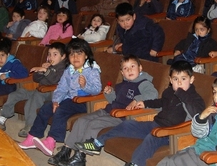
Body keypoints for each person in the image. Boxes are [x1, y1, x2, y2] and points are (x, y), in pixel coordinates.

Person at [76, 61, 205, 166]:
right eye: (176, 79)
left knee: (151, 138)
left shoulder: (195, 98)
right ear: (171, 80)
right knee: (128, 124)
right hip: (156, 124)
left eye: (183, 79)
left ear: (191, 79)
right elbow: (160, 102)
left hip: (170, 133)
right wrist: (145, 103)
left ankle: (135, 164)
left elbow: (198, 113)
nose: (180, 82)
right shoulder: (168, 92)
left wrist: (181, 93)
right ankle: (97, 143)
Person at [53, 55, 159, 166]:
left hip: (121, 116)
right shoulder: (122, 85)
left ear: (140, 68)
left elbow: (153, 94)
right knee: (81, 121)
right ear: (122, 73)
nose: (129, 70)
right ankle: (66, 149)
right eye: (125, 68)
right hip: (108, 110)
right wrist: (109, 93)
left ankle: (80, 156)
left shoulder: (143, 83)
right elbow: (114, 100)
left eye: (132, 66)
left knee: (93, 124)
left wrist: (137, 100)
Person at [18, 38, 102, 156]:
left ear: (86, 55)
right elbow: (61, 88)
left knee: (61, 110)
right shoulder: (69, 70)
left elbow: (97, 89)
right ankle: (32, 137)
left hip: (84, 102)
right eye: (72, 54)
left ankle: (51, 141)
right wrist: (56, 101)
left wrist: (85, 86)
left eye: (79, 53)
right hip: (69, 100)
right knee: (46, 108)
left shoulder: (92, 70)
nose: (75, 57)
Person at [0, 42, 68, 136]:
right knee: (17, 93)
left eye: (55, 54)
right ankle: (3, 117)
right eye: (49, 54)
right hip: (40, 89)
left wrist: (46, 71)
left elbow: (55, 80)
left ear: (63, 56)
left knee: (35, 97)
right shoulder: (49, 66)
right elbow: (36, 79)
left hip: (53, 93)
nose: (51, 57)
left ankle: (29, 125)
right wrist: (41, 70)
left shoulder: (64, 68)